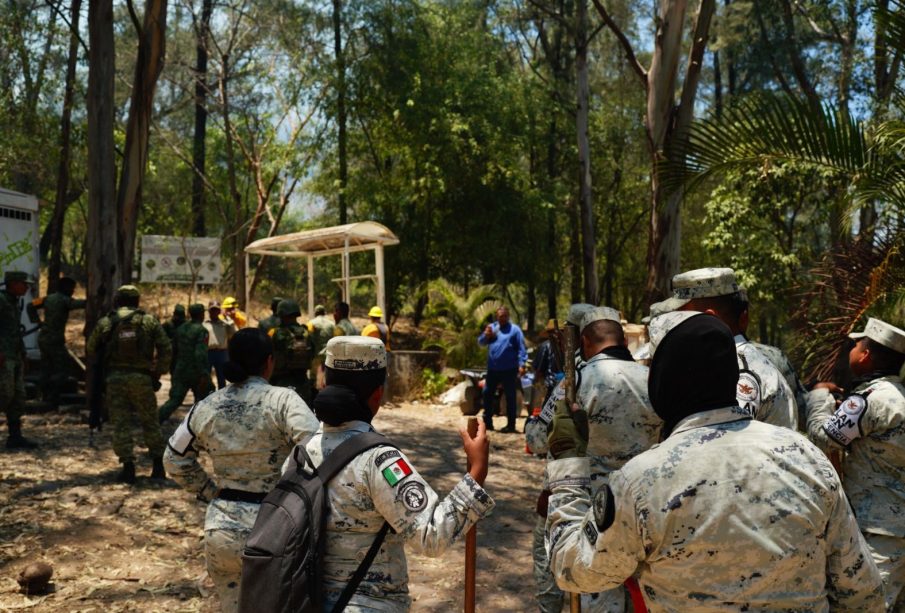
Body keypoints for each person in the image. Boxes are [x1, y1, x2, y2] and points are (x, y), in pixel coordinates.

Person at [545, 312, 884, 611]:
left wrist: (569, 466)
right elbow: (862, 594)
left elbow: (574, 571)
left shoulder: (641, 481)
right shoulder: (806, 457)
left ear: (662, 383)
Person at [289, 336, 494, 611]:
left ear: (325, 383)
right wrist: (477, 473)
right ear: (378, 394)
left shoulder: (298, 456)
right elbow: (431, 537)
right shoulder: (379, 460)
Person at [164, 328, 319, 613]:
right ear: (269, 361)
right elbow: (317, 449)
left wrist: (211, 491)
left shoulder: (206, 406)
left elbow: (173, 459)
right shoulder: (283, 401)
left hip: (221, 531)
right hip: (275, 527)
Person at [806, 317, 905, 609]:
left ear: (865, 355)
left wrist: (818, 398)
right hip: (896, 525)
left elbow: (824, 438)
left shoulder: (869, 400)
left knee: (869, 606)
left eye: (856, 344)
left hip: (879, 531)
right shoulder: (898, 396)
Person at [569, 305, 662, 612]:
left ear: (584, 343)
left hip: (596, 511)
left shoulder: (579, 381)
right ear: (623, 340)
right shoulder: (653, 380)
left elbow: (538, 437)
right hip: (648, 508)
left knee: (600, 591)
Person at [671, 267, 798, 430]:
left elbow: (724, 439)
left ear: (710, 319)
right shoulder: (726, 362)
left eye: (681, 317)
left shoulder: (739, 370)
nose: (674, 324)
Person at [86, 285, 171, 483]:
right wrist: (158, 373)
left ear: (117, 300)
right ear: (137, 301)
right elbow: (166, 347)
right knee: (150, 421)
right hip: (142, 379)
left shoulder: (107, 321)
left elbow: (91, 348)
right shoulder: (148, 321)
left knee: (121, 423)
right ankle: (158, 466)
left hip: (115, 379)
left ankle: (128, 467)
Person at [28, 276, 86, 407]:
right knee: (64, 369)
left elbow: (30, 305)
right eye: (72, 289)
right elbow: (80, 304)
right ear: (66, 288)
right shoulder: (65, 300)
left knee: (46, 368)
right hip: (55, 340)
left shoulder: (47, 298)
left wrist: (37, 322)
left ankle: (42, 395)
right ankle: (52, 396)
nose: (73, 291)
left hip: (43, 338)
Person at [0, 271, 38, 448]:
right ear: (13, 283)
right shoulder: (1, 300)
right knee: (4, 394)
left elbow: (14, 330)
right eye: (24, 283)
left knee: (17, 397)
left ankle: (15, 437)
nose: (27, 287)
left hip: (14, 355)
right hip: (3, 356)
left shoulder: (14, 302)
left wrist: (23, 354)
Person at [158, 303, 211, 423]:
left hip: (180, 369)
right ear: (201, 314)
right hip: (196, 371)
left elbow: (174, 350)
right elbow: (200, 354)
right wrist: (203, 373)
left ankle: (156, 420)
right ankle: (201, 424)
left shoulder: (181, 329)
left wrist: (173, 368)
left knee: (175, 400)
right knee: (206, 397)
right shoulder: (202, 331)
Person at [478, 306, 527, 433]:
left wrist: (522, 365)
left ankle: (511, 425)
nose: (503, 318)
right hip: (493, 370)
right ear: (497, 316)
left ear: (508, 316)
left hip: (509, 370)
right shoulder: (492, 328)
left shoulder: (515, 330)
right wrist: (485, 335)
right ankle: (488, 423)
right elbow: (481, 342)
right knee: (487, 393)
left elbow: (521, 348)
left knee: (510, 397)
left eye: (505, 316)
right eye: (500, 316)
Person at [269, 299, 314, 402]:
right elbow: (312, 354)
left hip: (281, 382)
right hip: (302, 382)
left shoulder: (276, 333)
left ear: (280, 314)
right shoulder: (306, 332)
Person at [205, 300, 236, 389]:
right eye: (212, 310)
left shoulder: (225, 324)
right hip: (208, 352)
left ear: (219, 311)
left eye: (216, 310)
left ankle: (221, 395)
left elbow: (233, 334)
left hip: (222, 353)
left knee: (222, 376)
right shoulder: (205, 324)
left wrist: (228, 318)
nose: (214, 312)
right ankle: (206, 395)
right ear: (209, 311)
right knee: (206, 375)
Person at [306, 303, 335, 392]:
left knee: (313, 378)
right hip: (329, 355)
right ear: (324, 313)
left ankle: (313, 397)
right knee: (327, 378)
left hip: (316, 354)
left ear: (316, 313)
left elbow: (307, 337)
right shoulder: (331, 324)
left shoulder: (311, 323)